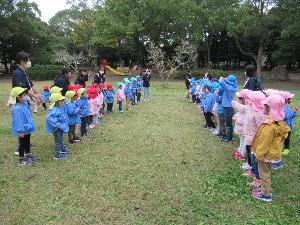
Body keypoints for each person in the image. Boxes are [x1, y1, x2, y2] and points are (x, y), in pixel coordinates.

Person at [251, 95, 290, 202]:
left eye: (265, 105)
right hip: (272, 153)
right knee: (266, 172)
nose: (263, 106)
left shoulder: (269, 126)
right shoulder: (280, 123)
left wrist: (258, 155)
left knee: (264, 174)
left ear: (269, 108)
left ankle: (265, 194)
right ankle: (266, 188)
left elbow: (263, 143)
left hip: (265, 155)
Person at [10, 87, 37, 166]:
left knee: (27, 142)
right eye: (24, 95)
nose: (26, 96)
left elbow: (28, 116)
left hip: (27, 128)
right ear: (18, 97)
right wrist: (20, 131)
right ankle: (21, 159)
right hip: (22, 130)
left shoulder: (24, 104)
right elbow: (18, 121)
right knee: (22, 144)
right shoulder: (16, 108)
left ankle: (28, 154)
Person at [46, 93, 69, 159]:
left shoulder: (58, 108)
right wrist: (57, 124)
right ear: (56, 102)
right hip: (57, 129)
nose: (62, 102)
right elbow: (49, 117)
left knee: (60, 140)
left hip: (60, 128)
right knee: (58, 141)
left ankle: (61, 150)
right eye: (61, 100)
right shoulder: (54, 109)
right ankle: (57, 154)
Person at [219, 75, 238, 142]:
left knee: (228, 123)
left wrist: (223, 78)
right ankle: (228, 136)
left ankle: (229, 137)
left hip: (228, 107)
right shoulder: (232, 85)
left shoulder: (230, 88)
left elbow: (221, 82)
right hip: (226, 106)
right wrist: (226, 80)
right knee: (228, 122)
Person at [281, 91, 297, 155]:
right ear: (286, 99)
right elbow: (285, 116)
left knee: (287, 138)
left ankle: (286, 149)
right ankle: (282, 147)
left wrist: (294, 112)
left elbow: (291, 115)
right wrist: (292, 112)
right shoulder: (282, 106)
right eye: (290, 98)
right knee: (284, 137)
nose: (291, 100)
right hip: (285, 126)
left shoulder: (287, 105)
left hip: (289, 126)